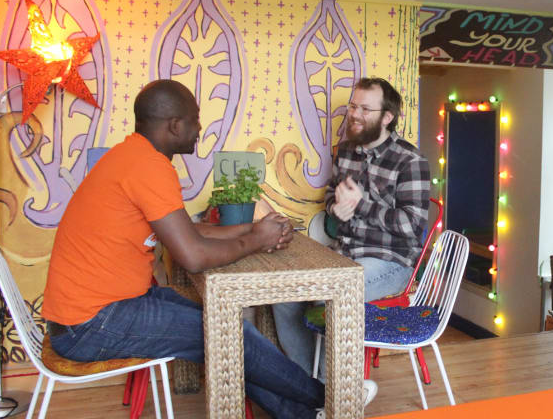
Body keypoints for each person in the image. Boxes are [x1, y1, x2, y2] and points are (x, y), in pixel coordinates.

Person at [42, 79, 375, 419]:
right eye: (195, 119)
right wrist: (257, 240)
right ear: (175, 125)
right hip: (90, 323)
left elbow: (187, 231)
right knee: (227, 336)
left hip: (100, 310)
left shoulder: (132, 156)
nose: (200, 128)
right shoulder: (148, 167)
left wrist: (251, 228)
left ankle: (307, 414)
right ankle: (333, 399)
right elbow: (194, 256)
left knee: (227, 327)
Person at [272, 77, 430, 376]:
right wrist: (336, 208)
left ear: (387, 117)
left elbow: (411, 226)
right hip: (343, 254)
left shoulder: (410, 160)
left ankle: (337, 391)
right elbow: (332, 195)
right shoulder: (345, 151)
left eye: (365, 109)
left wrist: (362, 206)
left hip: (391, 262)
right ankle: (312, 386)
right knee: (284, 297)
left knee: (325, 298)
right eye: (353, 106)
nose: (354, 114)